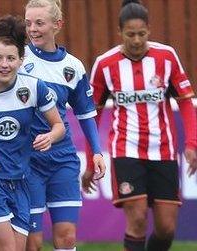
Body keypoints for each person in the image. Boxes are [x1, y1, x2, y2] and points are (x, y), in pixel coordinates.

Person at [85, 1, 197, 250]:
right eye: (130, 34)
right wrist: (94, 155)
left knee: (166, 229)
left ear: (149, 30)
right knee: (136, 220)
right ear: (120, 32)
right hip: (127, 150)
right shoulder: (105, 64)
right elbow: (93, 113)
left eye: (142, 34)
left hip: (164, 150)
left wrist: (191, 144)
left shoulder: (166, 57)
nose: (136, 40)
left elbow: (187, 103)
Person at [0, 15, 65, 251]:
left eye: (10, 58)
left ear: (20, 60)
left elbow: (59, 126)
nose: (4, 64)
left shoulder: (34, 88)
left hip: (19, 181)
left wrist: (50, 136)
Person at [21, 1, 106, 250]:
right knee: (32, 242)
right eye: (28, 23)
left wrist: (97, 152)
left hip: (62, 159)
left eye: (39, 23)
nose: (33, 29)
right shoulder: (17, 59)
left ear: (58, 25)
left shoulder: (73, 67)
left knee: (67, 237)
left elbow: (86, 113)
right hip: (27, 160)